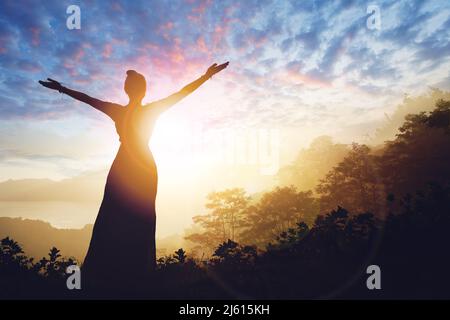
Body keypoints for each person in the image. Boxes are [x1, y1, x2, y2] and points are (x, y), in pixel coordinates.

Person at [39, 62, 229, 294]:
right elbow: (182, 93)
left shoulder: (118, 110)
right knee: (139, 217)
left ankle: (109, 274)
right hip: (143, 168)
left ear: (127, 90)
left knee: (113, 216)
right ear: (143, 91)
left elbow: (87, 98)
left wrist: (62, 88)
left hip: (124, 166)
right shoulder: (150, 110)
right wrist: (206, 75)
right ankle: (138, 274)